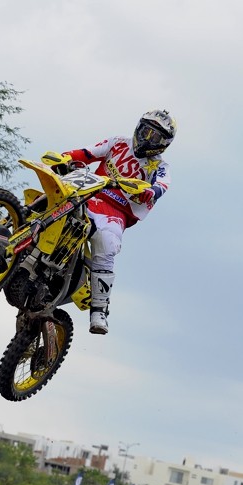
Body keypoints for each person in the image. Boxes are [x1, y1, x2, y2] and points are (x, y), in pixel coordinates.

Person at [62, 109, 176, 334]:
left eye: (155, 136)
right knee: (57, 194)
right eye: (146, 131)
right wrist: (65, 157)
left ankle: (99, 310)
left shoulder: (160, 166)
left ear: (163, 144)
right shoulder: (118, 142)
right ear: (138, 127)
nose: (147, 138)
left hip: (116, 210)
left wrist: (150, 192)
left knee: (107, 242)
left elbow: (162, 185)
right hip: (89, 192)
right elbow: (88, 152)